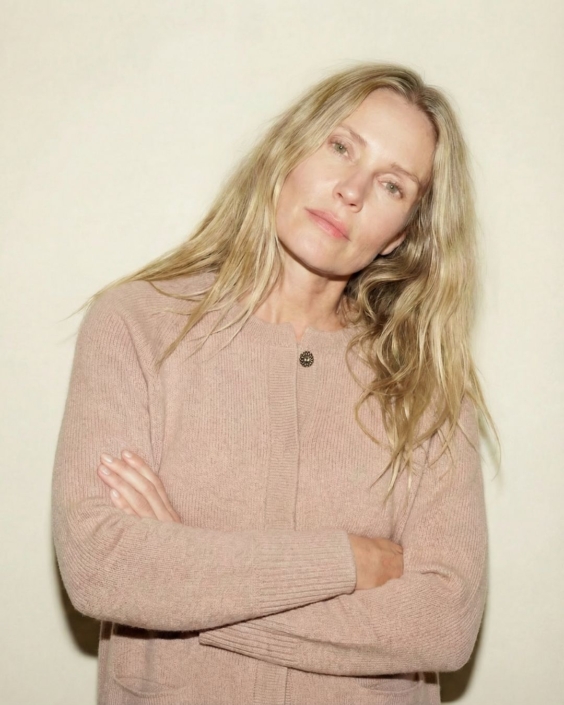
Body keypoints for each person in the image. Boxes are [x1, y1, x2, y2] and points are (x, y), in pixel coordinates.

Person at [52, 63, 491, 705]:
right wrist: (351, 562)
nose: (351, 191)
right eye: (341, 147)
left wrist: (187, 577)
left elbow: (443, 625)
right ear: (291, 147)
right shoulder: (137, 324)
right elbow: (102, 565)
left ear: (401, 234)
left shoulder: (428, 386)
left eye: (392, 185)